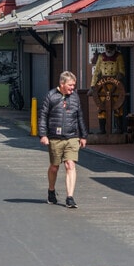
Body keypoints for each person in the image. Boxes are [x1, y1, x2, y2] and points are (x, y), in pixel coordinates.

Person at [38, 71, 88, 208]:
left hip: (72, 137)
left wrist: (83, 136)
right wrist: (43, 135)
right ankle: (51, 190)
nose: (73, 88)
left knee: (70, 165)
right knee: (54, 167)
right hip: (55, 138)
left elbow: (79, 117)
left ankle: (70, 197)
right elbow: (43, 116)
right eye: (70, 85)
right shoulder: (51, 96)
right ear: (62, 84)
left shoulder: (75, 97)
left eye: (74, 85)